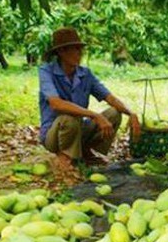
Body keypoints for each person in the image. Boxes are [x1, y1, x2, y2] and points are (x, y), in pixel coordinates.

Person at [38, 27, 141, 168]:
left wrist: (131, 113)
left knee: (114, 113)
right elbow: (56, 104)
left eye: (80, 49)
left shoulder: (85, 74)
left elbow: (110, 98)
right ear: (62, 52)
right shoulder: (46, 71)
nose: (80, 53)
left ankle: (86, 151)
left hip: (79, 130)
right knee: (69, 119)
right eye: (75, 49)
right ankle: (64, 156)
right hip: (54, 134)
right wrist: (94, 115)